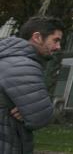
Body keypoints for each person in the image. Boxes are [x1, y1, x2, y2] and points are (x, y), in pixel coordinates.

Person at [0, 16, 63, 153]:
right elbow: (41, 117)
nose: (58, 47)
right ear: (37, 37)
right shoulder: (23, 64)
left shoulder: (6, 57)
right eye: (55, 40)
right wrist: (41, 110)